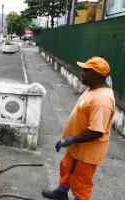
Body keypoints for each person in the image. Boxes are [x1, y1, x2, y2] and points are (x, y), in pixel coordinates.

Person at [42, 56, 115, 200]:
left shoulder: (102, 100)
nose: (81, 73)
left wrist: (68, 140)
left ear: (96, 75)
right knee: (67, 168)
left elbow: (96, 132)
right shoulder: (93, 89)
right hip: (78, 145)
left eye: (85, 71)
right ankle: (61, 193)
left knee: (81, 181)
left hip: (88, 150)